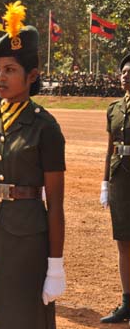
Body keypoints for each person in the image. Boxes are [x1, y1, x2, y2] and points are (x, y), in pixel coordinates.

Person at [0, 2, 66, 329]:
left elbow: (55, 204)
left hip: (28, 237)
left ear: (32, 75)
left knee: (25, 317)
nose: (0, 78)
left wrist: (55, 265)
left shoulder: (45, 128)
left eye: (10, 70)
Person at [99, 53, 130, 324]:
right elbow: (110, 149)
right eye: (123, 72)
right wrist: (105, 183)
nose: (125, 75)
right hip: (120, 177)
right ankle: (127, 302)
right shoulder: (114, 108)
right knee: (123, 241)